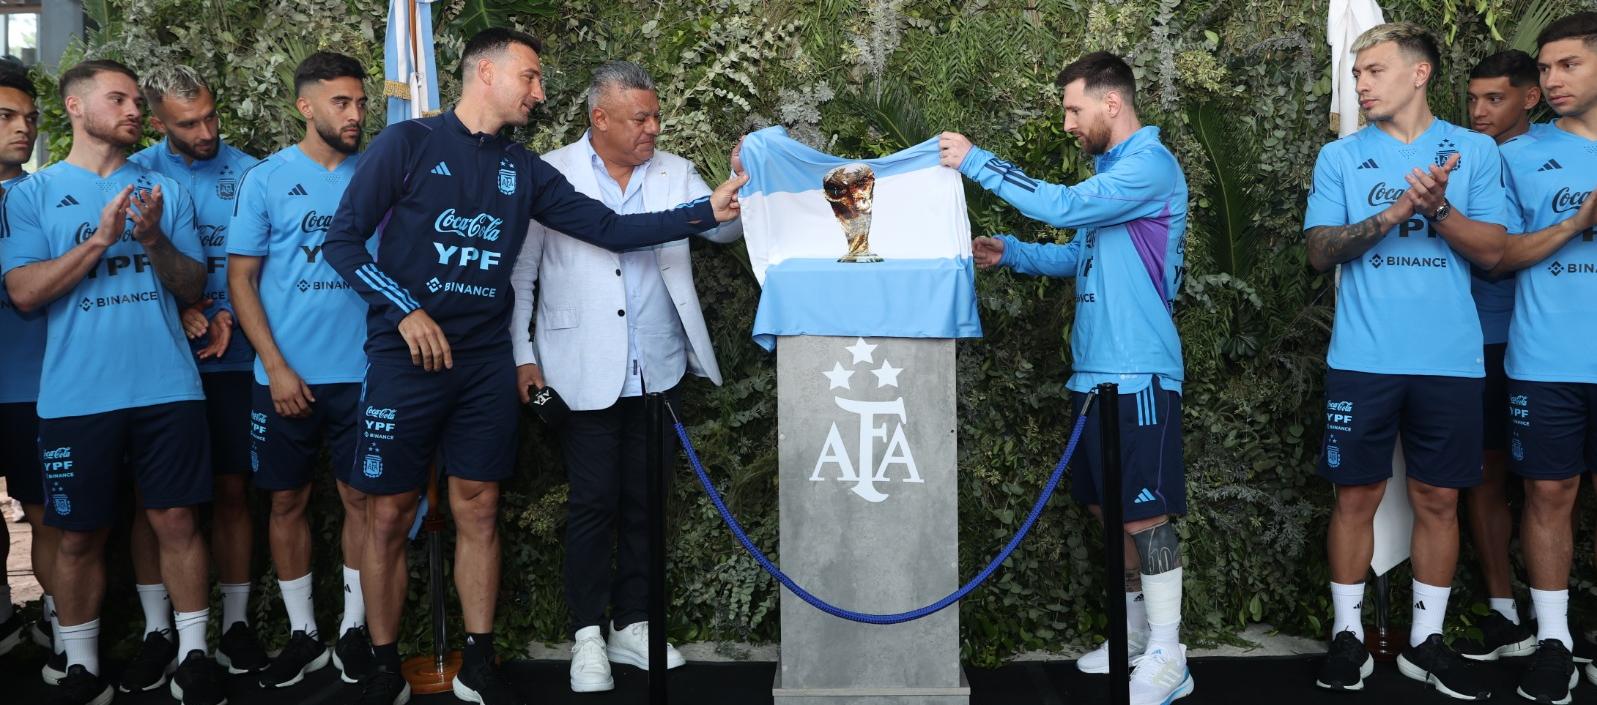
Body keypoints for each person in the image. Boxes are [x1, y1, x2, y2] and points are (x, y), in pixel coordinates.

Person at [321, 28, 748, 705]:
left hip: (484, 364)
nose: (540, 92)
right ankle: (380, 664)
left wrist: (705, 210)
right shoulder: (407, 144)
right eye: (530, 77)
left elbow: (608, 229)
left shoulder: (523, 168)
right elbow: (341, 241)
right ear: (484, 73)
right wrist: (406, 309)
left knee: (480, 506)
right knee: (386, 513)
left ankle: (480, 661)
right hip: (405, 357)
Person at [938, 51, 1192, 705]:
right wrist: (1013, 253)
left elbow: (1062, 206)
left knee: (1147, 516)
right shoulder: (1115, 171)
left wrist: (975, 160)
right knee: (1106, 508)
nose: (1067, 123)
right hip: (1093, 372)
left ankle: (1169, 649)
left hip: (1139, 372)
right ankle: (1136, 628)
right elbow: (1080, 253)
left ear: (1112, 103)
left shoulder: (1148, 165)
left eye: (1073, 109)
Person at [507, 60, 744, 694]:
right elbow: (521, 274)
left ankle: (633, 624)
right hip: (577, 365)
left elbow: (724, 232)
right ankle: (587, 634)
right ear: (600, 118)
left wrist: (742, 185)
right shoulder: (551, 171)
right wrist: (521, 355)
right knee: (592, 504)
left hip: (657, 366)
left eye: (657, 115)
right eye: (640, 118)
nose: (653, 128)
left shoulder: (674, 172)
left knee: (646, 503)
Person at [0, 59, 224, 705]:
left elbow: (193, 287)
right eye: (118, 98)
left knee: (177, 519)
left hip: (167, 386)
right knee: (76, 533)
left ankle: (195, 655)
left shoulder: (164, 191)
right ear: (75, 107)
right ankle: (81, 667)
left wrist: (153, 240)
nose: (133, 110)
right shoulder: (29, 196)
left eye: (135, 101)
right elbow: (22, 293)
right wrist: (99, 240)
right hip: (75, 394)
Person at [1303, 22, 1508, 699]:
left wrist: (1438, 207)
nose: (1359, 84)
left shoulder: (1473, 150)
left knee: (1437, 498)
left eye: (1374, 71)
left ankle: (1426, 642)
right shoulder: (1339, 156)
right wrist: (1394, 211)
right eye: (1356, 74)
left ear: (1418, 74)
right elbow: (1318, 250)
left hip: (1449, 360)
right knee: (1355, 495)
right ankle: (1346, 638)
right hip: (1362, 358)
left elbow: (1492, 251)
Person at [227, 50, 375, 689]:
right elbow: (242, 280)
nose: (355, 114)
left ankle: (355, 633)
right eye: (341, 102)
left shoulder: (377, 175)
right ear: (305, 106)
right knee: (286, 500)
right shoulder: (264, 180)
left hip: (365, 372)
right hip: (285, 378)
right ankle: (302, 634)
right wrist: (276, 366)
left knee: (363, 501)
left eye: (361, 102)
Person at [121, 63, 267, 688]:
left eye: (211, 115)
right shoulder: (132, 175)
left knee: (233, 491)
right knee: (155, 505)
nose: (206, 130)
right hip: (156, 364)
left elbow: (265, 263)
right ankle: (161, 632)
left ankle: (234, 625)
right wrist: (183, 309)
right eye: (189, 123)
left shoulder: (252, 172)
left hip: (231, 361)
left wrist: (229, 313)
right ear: (157, 124)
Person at [1487, 12, 1597, 702]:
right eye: (1545, 67)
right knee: (1547, 493)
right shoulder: (1517, 154)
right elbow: (1496, 257)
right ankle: (1553, 639)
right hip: (1545, 359)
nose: (1549, 79)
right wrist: (1573, 225)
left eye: (1567, 65)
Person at [1452, 48, 1541, 663]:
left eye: (1495, 99)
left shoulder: (1563, 154)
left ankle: (1554, 616)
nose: (1479, 113)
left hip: (1547, 346)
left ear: (1528, 97)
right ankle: (1503, 610)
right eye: (1473, 99)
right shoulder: (1458, 156)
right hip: (1478, 339)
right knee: (1485, 473)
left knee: (1552, 481)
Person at [0, 62, 48, 661]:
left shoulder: (47, 195)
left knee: (47, 519)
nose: (23, 129)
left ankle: (65, 628)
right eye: (7, 117)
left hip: (41, 388)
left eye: (31, 118)